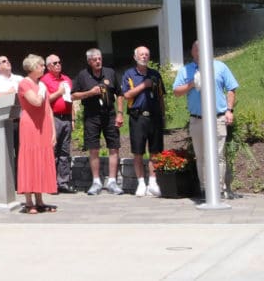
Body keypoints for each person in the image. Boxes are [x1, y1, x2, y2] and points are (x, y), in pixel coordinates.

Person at [172, 40, 239, 199]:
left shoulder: (220, 67)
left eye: (203, 49)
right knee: (201, 156)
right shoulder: (186, 70)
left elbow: (231, 88)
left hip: (217, 118)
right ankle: (205, 189)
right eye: (197, 50)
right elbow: (176, 91)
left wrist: (229, 110)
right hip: (197, 120)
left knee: (218, 155)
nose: (200, 52)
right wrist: (191, 84)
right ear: (192, 52)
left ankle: (220, 188)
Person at [72, 48, 124, 196]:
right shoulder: (83, 75)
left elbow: (120, 94)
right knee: (93, 148)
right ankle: (96, 182)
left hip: (110, 114)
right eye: (94, 59)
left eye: (99, 58)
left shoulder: (110, 72)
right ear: (89, 61)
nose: (98, 61)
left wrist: (120, 114)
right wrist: (90, 93)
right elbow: (73, 96)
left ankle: (112, 181)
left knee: (114, 147)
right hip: (91, 116)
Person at [122, 45, 165, 197]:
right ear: (135, 57)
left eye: (147, 54)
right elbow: (126, 95)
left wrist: (163, 116)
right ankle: (141, 183)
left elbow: (161, 97)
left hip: (154, 117)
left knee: (155, 151)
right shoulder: (129, 74)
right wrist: (144, 85)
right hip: (137, 116)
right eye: (141, 54)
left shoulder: (155, 74)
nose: (144, 57)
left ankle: (153, 182)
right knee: (138, 152)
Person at [17, 54, 57, 214]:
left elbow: (48, 108)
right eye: (41, 65)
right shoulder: (24, 84)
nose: (43, 68)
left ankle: (40, 201)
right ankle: (28, 202)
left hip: (43, 125)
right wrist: (41, 90)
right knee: (30, 160)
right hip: (30, 126)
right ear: (33, 67)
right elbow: (36, 102)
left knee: (41, 160)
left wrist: (53, 131)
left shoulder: (41, 85)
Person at [40, 55, 75, 194]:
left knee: (65, 152)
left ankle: (63, 183)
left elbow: (71, 100)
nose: (58, 65)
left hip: (66, 117)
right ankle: (50, 182)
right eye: (55, 63)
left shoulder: (66, 79)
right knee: (52, 150)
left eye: (60, 62)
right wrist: (59, 92)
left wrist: (73, 119)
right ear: (48, 66)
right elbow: (45, 100)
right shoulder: (44, 80)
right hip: (52, 117)